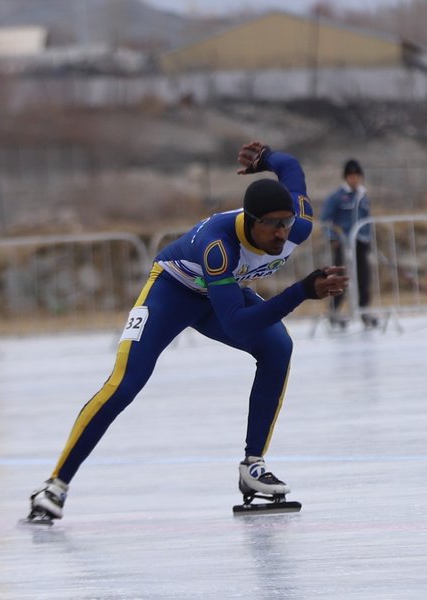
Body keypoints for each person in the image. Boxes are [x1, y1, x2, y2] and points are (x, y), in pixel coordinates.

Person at [25, 141, 348, 522]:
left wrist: (267, 158)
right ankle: (55, 485)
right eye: (274, 226)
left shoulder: (298, 225)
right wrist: (301, 292)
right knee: (124, 384)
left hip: (222, 292)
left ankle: (253, 466)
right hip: (172, 293)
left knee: (278, 348)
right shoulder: (219, 246)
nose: (282, 234)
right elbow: (236, 324)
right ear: (251, 220)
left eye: (286, 223)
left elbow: (291, 165)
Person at [320, 159, 378, 329]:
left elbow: (367, 220)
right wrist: (333, 237)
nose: (354, 179)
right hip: (343, 243)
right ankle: (335, 311)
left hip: (361, 242)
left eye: (357, 176)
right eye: (351, 176)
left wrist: (369, 238)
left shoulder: (363, 196)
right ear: (346, 177)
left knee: (364, 276)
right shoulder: (337, 197)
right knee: (340, 278)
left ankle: (364, 310)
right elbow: (325, 220)